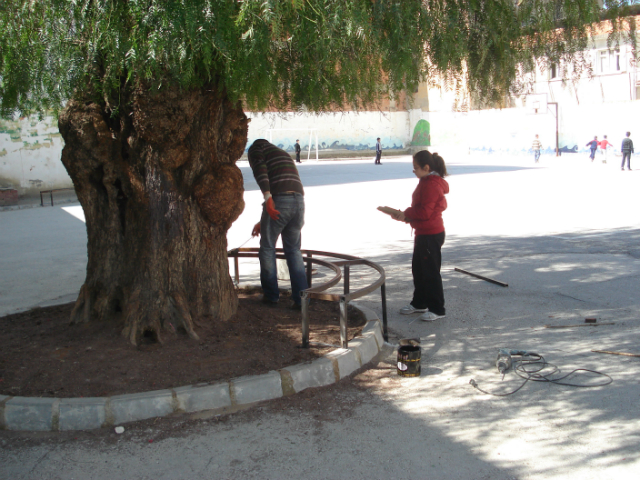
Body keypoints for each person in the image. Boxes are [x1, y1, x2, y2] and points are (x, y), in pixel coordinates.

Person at [247, 139, 308, 309]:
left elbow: (261, 171)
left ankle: (271, 296)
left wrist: (267, 198)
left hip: (280, 199)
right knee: (294, 250)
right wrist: (263, 220)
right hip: (298, 203)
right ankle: (301, 300)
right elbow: (287, 195)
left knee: (267, 248)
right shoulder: (282, 154)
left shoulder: (256, 149)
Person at [391, 150, 449, 322]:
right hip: (423, 232)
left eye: (416, 168)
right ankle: (420, 303)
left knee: (430, 273)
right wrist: (406, 217)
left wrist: (407, 214)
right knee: (419, 270)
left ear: (426, 167)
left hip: (431, 234)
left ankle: (437, 309)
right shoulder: (426, 181)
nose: (414, 171)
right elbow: (422, 211)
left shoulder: (431, 184)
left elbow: (425, 212)